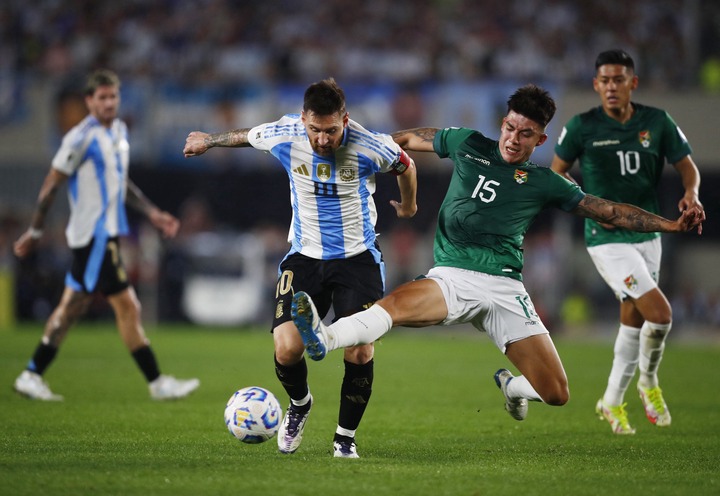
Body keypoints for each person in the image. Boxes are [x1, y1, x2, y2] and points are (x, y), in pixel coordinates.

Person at [289, 84, 704, 433]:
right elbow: (404, 142)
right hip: (453, 276)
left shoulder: (547, 182)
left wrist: (669, 225)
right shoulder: (467, 143)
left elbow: (608, 210)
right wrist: (353, 142)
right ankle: (325, 338)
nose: (513, 138)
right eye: (509, 127)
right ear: (501, 123)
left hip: (506, 288)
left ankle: (512, 389)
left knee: (556, 393)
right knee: (392, 309)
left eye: (526, 134)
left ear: (540, 140)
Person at [182, 78, 417, 458]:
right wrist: (209, 140)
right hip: (305, 256)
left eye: (331, 131)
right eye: (315, 130)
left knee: (359, 351)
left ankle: (344, 438)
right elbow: (247, 135)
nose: (322, 140)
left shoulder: (370, 145)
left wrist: (409, 206)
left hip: (358, 259)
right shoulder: (285, 133)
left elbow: (406, 166)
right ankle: (300, 405)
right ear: (303, 119)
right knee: (287, 348)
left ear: (345, 119)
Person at [13, 69, 200, 402]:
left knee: (99, 307)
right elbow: (51, 183)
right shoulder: (79, 138)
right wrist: (36, 229)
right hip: (93, 237)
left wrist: (153, 212)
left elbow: (119, 182)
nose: (109, 103)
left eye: (113, 96)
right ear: (89, 101)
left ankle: (34, 374)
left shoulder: (119, 130)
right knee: (102, 306)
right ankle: (155, 382)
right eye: (102, 97)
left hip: (107, 235)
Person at [551, 49, 705, 435]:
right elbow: (557, 174)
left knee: (633, 320)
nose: (611, 86)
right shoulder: (582, 126)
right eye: (604, 80)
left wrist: (692, 193)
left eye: (618, 79)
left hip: (648, 235)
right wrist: (583, 201)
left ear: (632, 83)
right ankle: (649, 382)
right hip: (605, 239)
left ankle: (612, 401)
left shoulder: (657, 122)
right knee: (661, 313)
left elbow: (688, 167)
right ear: (595, 85)